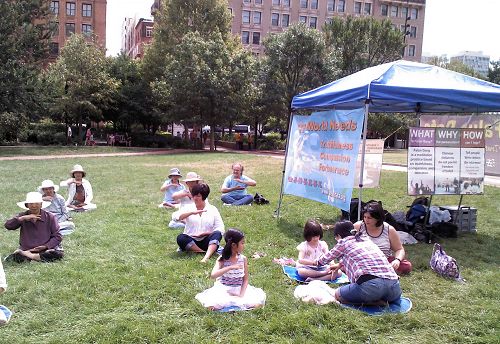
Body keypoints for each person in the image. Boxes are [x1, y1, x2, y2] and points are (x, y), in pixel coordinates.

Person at [315, 221, 401, 305]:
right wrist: (339, 265)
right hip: (394, 288)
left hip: (371, 287)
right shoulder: (366, 240)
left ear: (339, 236)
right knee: (376, 289)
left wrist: (313, 262)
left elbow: (323, 261)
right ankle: (382, 300)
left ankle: (373, 303)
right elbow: (360, 257)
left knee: (338, 295)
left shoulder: (343, 242)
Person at [195, 228, 266, 310]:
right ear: (233, 245)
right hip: (225, 289)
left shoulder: (243, 259)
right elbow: (213, 275)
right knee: (212, 306)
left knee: (257, 304)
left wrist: (241, 295)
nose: (244, 245)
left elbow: (246, 279)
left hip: (239, 288)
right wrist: (230, 267)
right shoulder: (222, 259)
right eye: (242, 243)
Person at [353, 202, 412, 275]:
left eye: (369, 218)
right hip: (363, 260)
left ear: (377, 218)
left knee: (406, 266)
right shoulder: (358, 226)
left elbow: (399, 249)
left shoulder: (389, 229)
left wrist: (397, 260)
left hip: (384, 260)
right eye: (365, 217)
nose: (366, 220)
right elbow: (347, 244)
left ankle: (376, 271)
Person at [4, 192, 63, 263]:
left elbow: (57, 236)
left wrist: (46, 246)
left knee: (57, 254)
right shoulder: (23, 216)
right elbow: (8, 226)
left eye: (37, 203)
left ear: (41, 205)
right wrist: (22, 218)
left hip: (45, 250)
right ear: (27, 205)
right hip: (27, 249)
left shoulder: (50, 217)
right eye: (31, 204)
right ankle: (34, 257)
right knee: (14, 259)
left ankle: (31, 256)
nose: (34, 206)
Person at [175, 183, 224, 263]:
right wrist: (191, 213)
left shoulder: (212, 209)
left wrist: (206, 233)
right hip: (191, 240)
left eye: (198, 196)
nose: (195, 198)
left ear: (204, 197)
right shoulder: (188, 207)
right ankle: (202, 252)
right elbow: (176, 217)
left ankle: (206, 257)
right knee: (181, 238)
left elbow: (220, 228)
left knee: (217, 234)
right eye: (194, 195)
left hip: (206, 240)